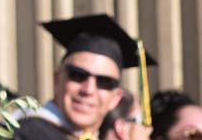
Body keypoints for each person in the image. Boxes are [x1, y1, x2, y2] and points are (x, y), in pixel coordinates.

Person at [15, 14, 156, 140]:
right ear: (57, 79)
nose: (88, 89)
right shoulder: (25, 133)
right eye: (78, 75)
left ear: (115, 98)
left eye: (104, 82)